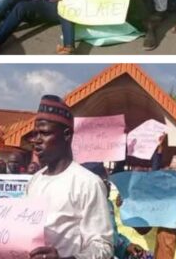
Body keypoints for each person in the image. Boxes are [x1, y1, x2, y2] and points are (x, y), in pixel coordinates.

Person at [26, 95, 113, 258]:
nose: (36, 140)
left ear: (67, 135)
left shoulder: (88, 184)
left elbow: (103, 247)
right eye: (35, 134)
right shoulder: (34, 181)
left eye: (44, 133)